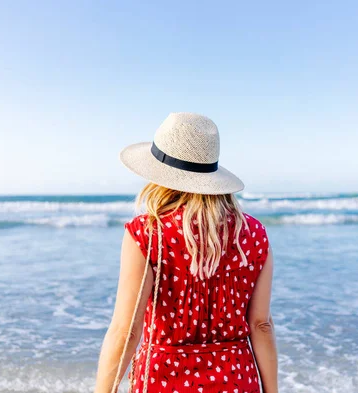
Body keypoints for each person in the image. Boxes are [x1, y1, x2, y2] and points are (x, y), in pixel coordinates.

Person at [94, 113, 277, 393]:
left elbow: (126, 330)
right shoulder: (254, 234)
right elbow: (261, 324)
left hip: (163, 380)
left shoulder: (148, 232)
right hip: (237, 379)